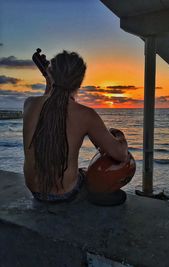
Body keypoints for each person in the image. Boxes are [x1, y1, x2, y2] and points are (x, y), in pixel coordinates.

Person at [23, 50, 128, 205]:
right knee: (111, 181)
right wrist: (120, 138)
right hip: (65, 194)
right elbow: (120, 155)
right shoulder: (86, 114)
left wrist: (49, 82)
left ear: (51, 75)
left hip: (34, 190)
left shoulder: (29, 104)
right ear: (79, 83)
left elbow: (49, 108)